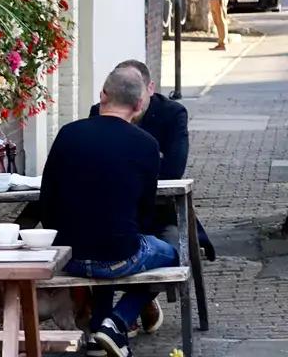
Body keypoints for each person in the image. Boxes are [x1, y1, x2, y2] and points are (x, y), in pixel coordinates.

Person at [39, 67, 179, 357]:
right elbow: (145, 212)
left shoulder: (68, 134)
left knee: (109, 239)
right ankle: (117, 321)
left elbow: (46, 200)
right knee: (172, 255)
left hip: (69, 256)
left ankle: (97, 334)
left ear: (102, 95)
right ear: (139, 105)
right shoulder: (147, 145)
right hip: (119, 254)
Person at [89, 60, 215, 337]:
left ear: (150, 89)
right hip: (117, 210)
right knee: (102, 243)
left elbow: (172, 170)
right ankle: (103, 323)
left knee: (175, 252)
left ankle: (121, 316)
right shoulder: (100, 112)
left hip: (163, 212)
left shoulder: (172, 114)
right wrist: (146, 161)